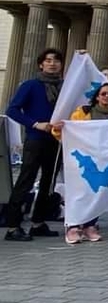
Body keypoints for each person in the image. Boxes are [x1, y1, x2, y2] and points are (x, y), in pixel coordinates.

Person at [52, 82, 108, 244]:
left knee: (97, 193)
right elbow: (70, 133)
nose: (107, 97)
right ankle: (73, 227)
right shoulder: (83, 112)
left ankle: (89, 226)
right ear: (97, 96)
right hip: (83, 160)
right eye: (103, 94)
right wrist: (59, 129)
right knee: (78, 193)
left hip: (105, 161)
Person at [4, 48, 64, 241]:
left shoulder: (64, 87)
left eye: (56, 60)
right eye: (48, 60)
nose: (52, 63)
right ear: (41, 64)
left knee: (48, 182)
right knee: (26, 180)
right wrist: (35, 124)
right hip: (35, 139)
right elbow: (12, 110)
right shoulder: (31, 85)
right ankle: (13, 226)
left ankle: (38, 222)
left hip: (56, 141)